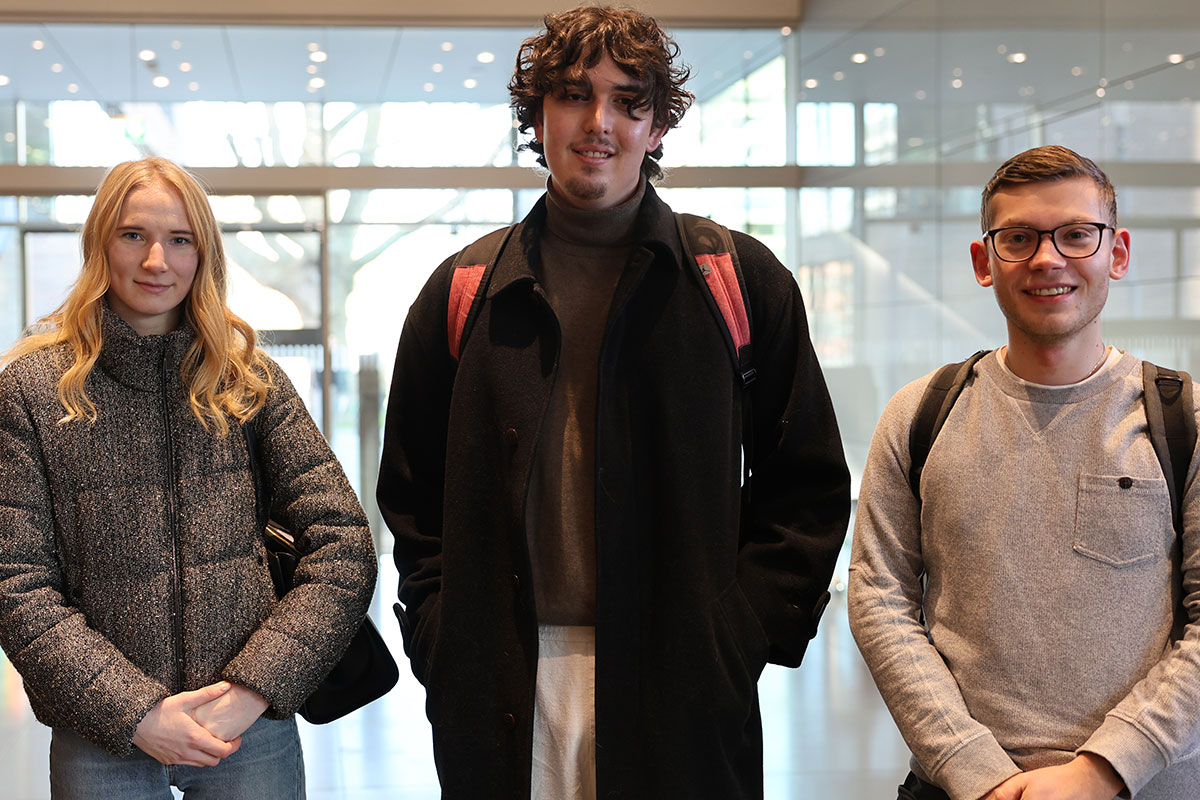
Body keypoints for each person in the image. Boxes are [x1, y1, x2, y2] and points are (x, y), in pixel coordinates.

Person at [376, 6, 850, 799]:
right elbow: (413, 496)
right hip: (502, 679)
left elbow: (806, 484)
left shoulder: (736, 281)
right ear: (536, 114)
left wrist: (736, 638)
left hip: (682, 680)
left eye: (630, 102)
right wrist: (442, 633)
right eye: (571, 94)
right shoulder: (464, 290)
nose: (599, 123)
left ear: (658, 126)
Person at [0, 157, 377, 799]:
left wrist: (255, 686)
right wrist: (134, 711)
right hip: (102, 736)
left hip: (246, 731)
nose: (157, 261)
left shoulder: (248, 381)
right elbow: (16, 583)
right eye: (133, 235)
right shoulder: (32, 390)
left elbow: (343, 545)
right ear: (100, 244)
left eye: (180, 240)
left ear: (205, 254)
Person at [849, 144, 1200, 800]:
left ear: (1117, 253)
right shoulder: (921, 413)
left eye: (1076, 235)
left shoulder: (1183, 418)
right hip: (960, 790)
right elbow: (879, 600)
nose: (1047, 259)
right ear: (985, 262)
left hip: (1146, 787)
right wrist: (974, 771)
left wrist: (1102, 771)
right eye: (1019, 238)